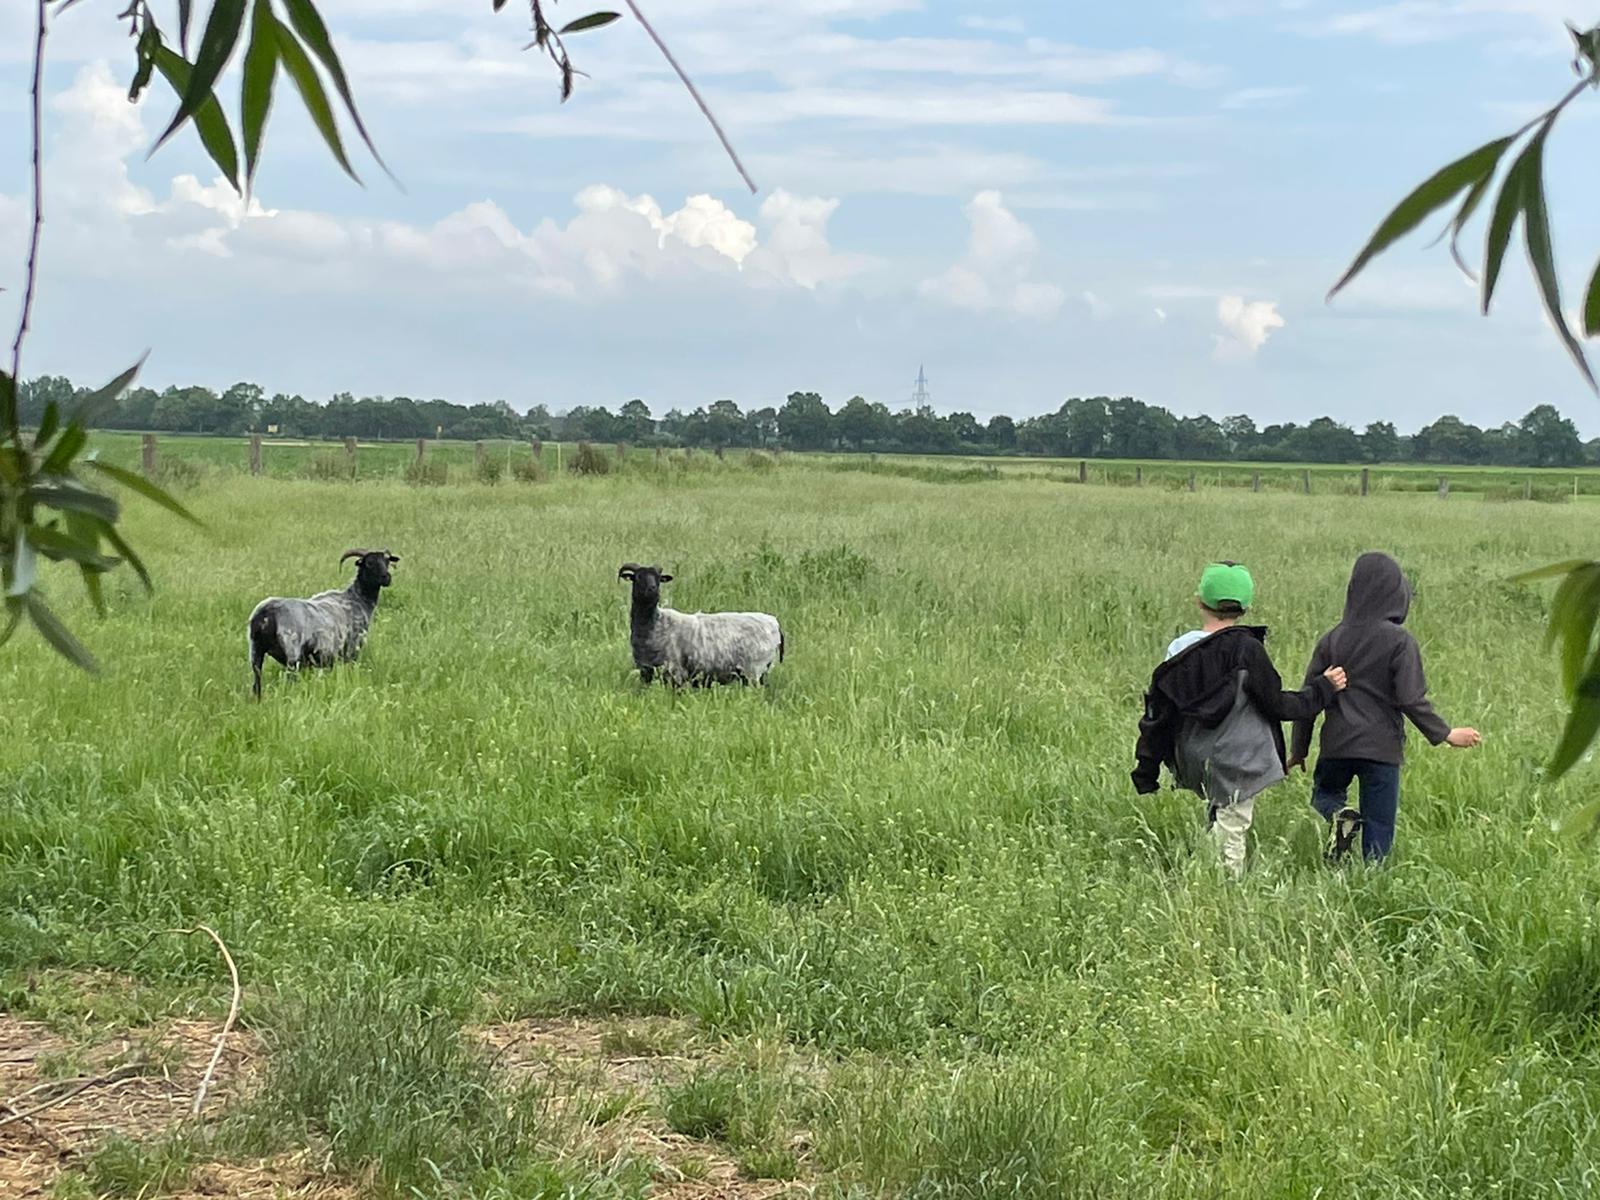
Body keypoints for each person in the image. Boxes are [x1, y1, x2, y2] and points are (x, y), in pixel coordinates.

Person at [1133, 562, 1348, 875]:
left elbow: (1158, 714)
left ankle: (1201, 869)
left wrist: (1146, 770)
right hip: (1237, 761)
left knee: (1219, 813)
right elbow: (1278, 705)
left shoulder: (1178, 649)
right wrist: (1323, 689)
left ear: (1199, 601)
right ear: (1246, 607)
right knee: (1233, 822)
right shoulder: (1247, 649)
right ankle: (1224, 886)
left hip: (1191, 757)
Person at [1287, 551, 1481, 863]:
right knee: (1378, 823)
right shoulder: (1400, 642)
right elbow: (1410, 699)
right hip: (1382, 749)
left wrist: (1299, 749)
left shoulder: (1331, 639)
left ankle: (1338, 817)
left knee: (1326, 795)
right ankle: (1371, 874)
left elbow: (1310, 697)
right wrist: (1446, 734)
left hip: (1337, 745)